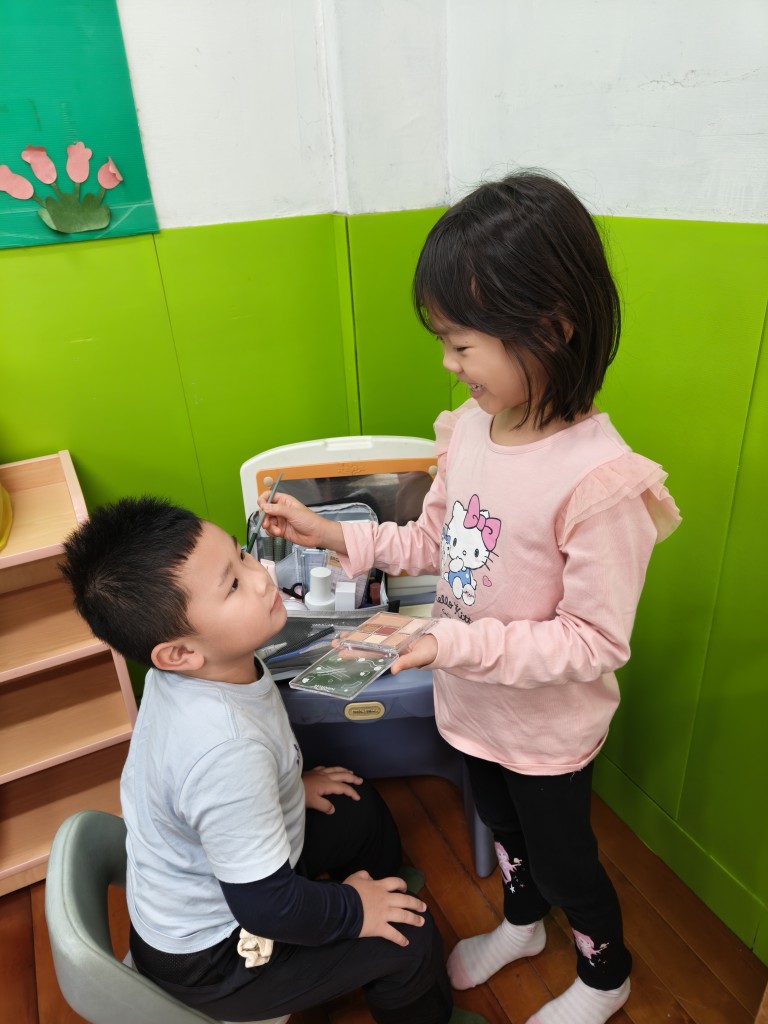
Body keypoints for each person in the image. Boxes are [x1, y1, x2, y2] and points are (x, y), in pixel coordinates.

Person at [258, 171, 681, 1024]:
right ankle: (522, 925)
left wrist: (450, 644)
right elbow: (434, 544)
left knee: (566, 863)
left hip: (546, 733)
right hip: (473, 708)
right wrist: (334, 533)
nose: (448, 364)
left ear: (551, 329)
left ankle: (607, 975)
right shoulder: (470, 430)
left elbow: (592, 642)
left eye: (461, 344)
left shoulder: (600, 483)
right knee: (506, 832)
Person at [59, 496, 467, 1024]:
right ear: (180, 651)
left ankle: (381, 891)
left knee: (352, 800)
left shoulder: (191, 670)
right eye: (232, 585)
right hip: (221, 955)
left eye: (242, 555)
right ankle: (396, 955)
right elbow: (269, 907)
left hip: (224, 885)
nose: (260, 577)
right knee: (410, 940)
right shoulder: (225, 752)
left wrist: (290, 786)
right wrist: (353, 912)